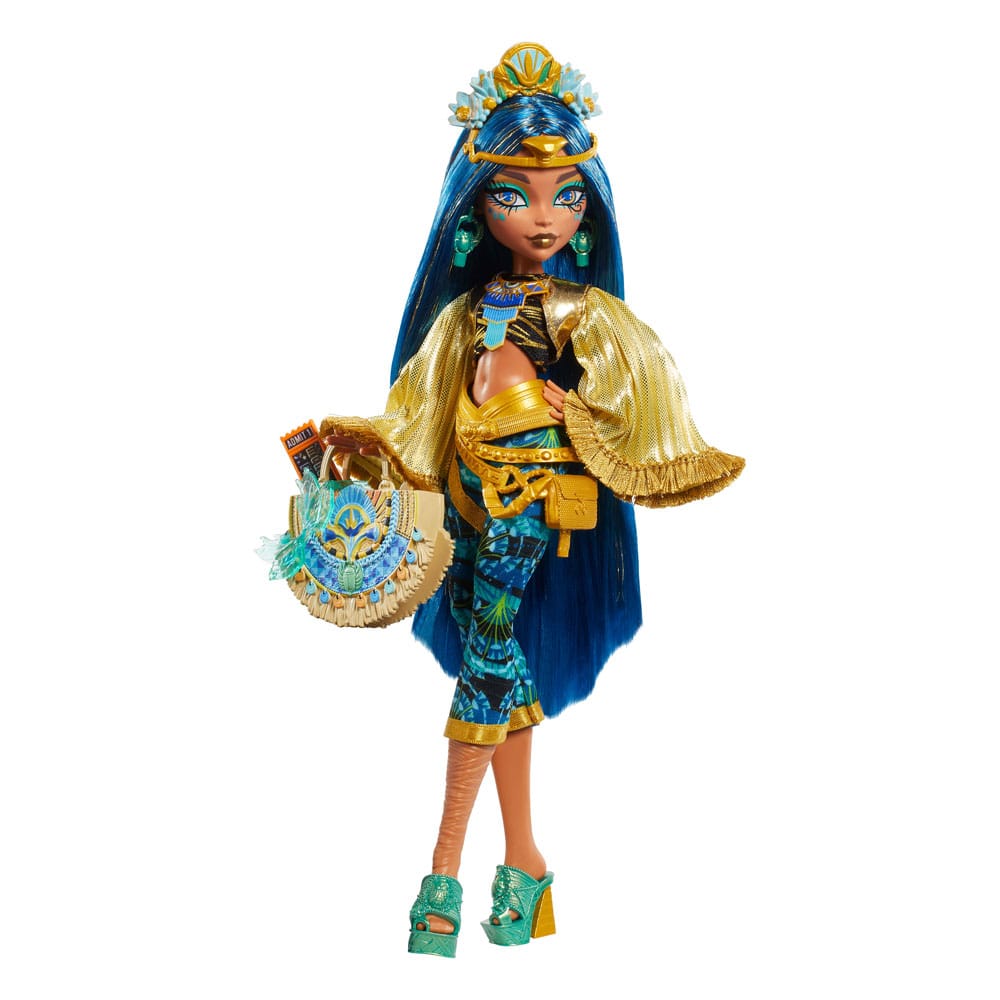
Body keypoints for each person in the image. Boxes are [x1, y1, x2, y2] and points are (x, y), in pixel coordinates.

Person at [317, 43, 744, 957]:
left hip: (537, 514)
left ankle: (441, 870)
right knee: (498, 669)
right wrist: (353, 446)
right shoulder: (464, 318)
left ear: (590, 206)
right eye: (515, 194)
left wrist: (578, 412)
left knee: (486, 663)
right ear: (474, 207)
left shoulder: (590, 315)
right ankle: (527, 861)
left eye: (565, 195)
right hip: (473, 511)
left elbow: (646, 406)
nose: (543, 217)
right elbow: (417, 414)